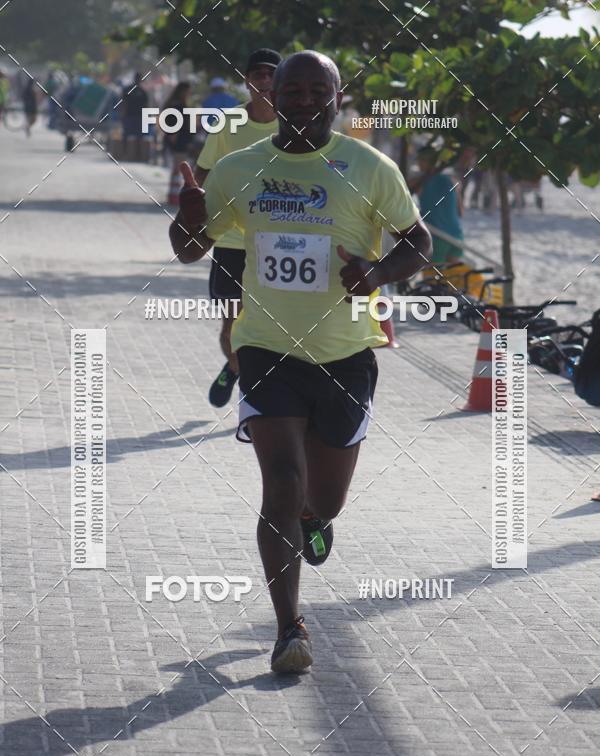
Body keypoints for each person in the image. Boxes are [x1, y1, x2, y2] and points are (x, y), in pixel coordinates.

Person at [169, 51, 431, 674]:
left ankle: (316, 517)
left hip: (345, 353)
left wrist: (377, 274)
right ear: (273, 94)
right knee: (281, 484)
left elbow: (418, 242)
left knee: (323, 499)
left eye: (320, 90)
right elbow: (190, 250)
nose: (307, 100)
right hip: (266, 347)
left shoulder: (370, 168)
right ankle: (290, 629)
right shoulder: (239, 168)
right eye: (295, 89)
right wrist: (187, 221)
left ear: (338, 96)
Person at [194, 48, 281, 407]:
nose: (264, 80)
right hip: (231, 242)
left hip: (278, 244)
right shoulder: (227, 123)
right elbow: (202, 175)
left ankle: (258, 384)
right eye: (257, 74)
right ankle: (235, 369)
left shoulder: (294, 124)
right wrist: (192, 211)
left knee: (275, 326)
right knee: (231, 325)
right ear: (247, 81)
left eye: (270, 74)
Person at [410, 146, 463, 266]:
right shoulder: (453, 181)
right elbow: (461, 212)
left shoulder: (417, 182)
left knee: (432, 280)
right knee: (454, 278)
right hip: (456, 235)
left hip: (436, 236)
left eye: (421, 160)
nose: (419, 163)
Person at [121, 72, 148, 139]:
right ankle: (127, 148)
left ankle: (134, 149)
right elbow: (124, 103)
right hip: (131, 116)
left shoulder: (142, 91)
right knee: (128, 136)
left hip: (137, 117)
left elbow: (145, 106)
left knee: (138, 137)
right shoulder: (130, 90)